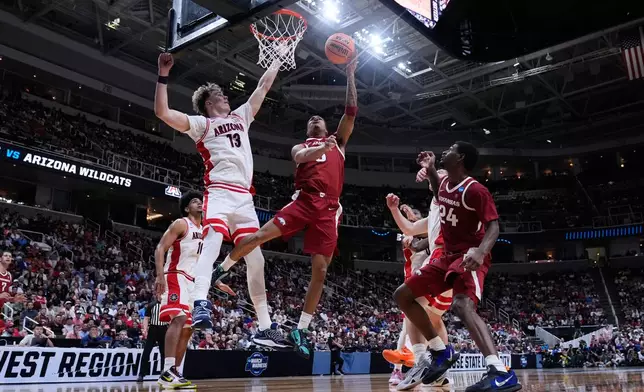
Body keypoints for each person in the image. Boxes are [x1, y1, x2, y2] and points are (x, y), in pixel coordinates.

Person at [215, 57, 358, 358]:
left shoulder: (340, 143)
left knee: (320, 271)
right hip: (304, 201)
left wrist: (350, 75)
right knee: (256, 237)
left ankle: (301, 328)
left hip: (328, 210)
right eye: (311, 120)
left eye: (320, 119)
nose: (316, 120)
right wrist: (322, 147)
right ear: (309, 129)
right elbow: (301, 158)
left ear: (327, 126)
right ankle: (222, 270)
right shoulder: (302, 147)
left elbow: (351, 112)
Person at [154, 52, 289, 349]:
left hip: (244, 197)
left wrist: (278, 58)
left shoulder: (240, 116)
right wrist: (163, 75)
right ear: (209, 103)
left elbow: (263, 87)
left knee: (257, 258)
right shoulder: (201, 124)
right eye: (220, 95)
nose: (226, 97)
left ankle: (265, 327)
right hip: (218, 190)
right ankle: (200, 300)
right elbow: (163, 113)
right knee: (213, 240)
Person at [393, 142, 521, 392]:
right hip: (445, 257)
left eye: (451, 148)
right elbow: (436, 189)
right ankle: (441, 351)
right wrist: (429, 168)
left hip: (468, 256)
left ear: (460, 158)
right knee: (403, 296)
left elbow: (494, 226)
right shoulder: (444, 186)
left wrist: (481, 251)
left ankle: (500, 372)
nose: (445, 151)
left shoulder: (476, 190)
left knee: (462, 306)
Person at [152, 192, 234, 387]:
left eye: (200, 201)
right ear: (187, 208)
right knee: (178, 318)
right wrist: (159, 275)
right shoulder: (181, 224)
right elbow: (160, 248)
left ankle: (175, 373)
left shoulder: (206, 232)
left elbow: (202, 264)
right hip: (175, 274)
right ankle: (166, 371)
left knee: (188, 329)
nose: (200, 203)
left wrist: (216, 283)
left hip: (194, 281)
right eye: (195, 201)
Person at [383, 177, 453, 390]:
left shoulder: (450, 204)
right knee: (433, 318)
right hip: (442, 266)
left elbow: (417, 240)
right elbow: (412, 229)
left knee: (409, 301)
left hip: (445, 262)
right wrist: (394, 210)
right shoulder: (434, 211)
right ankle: (438, 370)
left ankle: (421, 358)